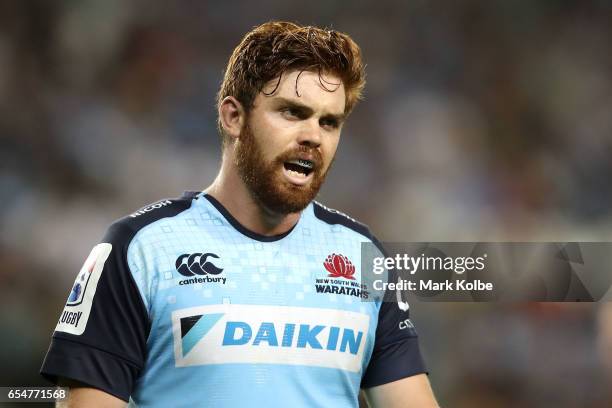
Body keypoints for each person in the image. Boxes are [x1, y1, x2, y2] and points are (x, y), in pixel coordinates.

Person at [40, 21, 439, 407]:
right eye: (292, 112)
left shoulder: (362, 255)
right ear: (234, 117)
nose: (313, 136)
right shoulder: (140, 249)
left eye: (329, 122)